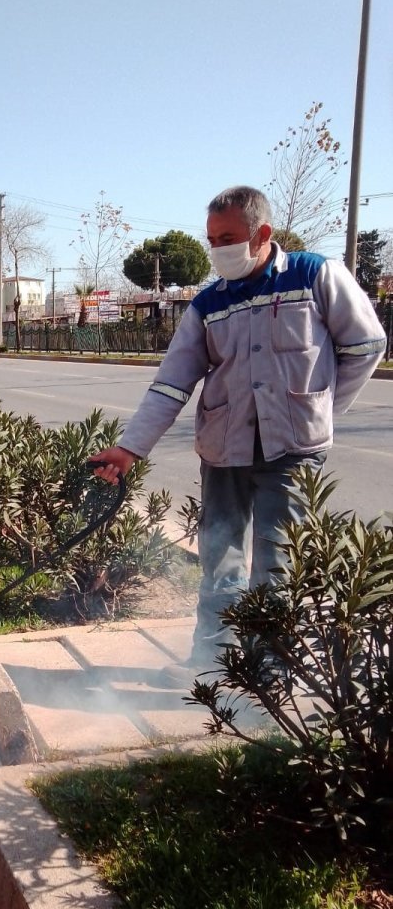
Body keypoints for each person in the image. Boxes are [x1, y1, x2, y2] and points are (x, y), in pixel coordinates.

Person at [93, 185, 385, 673]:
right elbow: (171, 383)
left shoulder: (315, 276)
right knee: (219, 561)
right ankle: (211, 662)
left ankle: (266, 675)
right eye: (210, 239)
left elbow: (365, 346)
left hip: (292, 451)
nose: (215, 250)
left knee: (276, 567)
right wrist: (129, 449)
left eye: (226, 237)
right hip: (223, 449)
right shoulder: (208, 304)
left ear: (261, 234)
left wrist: (321, 408)